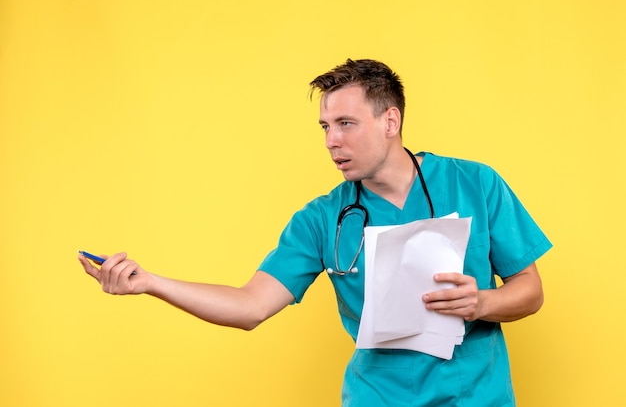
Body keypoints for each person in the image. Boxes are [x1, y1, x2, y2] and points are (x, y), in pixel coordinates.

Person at [79, 59, 552, 406]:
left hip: (477, 398)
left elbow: (530, 290)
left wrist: (482, 303)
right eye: (325, 126)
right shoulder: (322, 219)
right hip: (376, 398)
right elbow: (249, 307)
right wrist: (151, 283)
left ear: (391, 121)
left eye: (346, 124)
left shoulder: (475, 184)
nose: (331, 141)